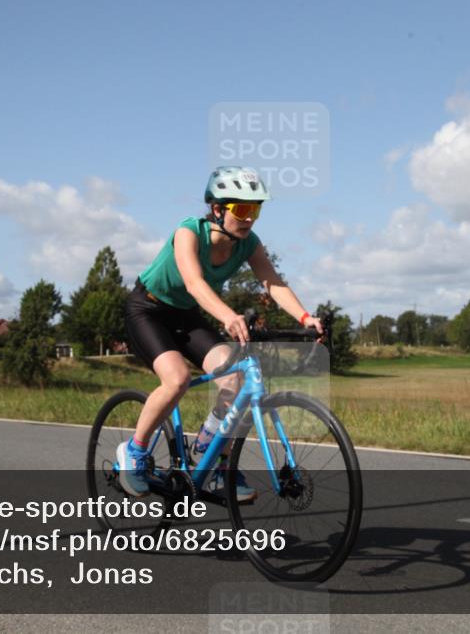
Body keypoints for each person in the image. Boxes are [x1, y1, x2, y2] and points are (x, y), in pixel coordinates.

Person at [118, 166, 323, 500]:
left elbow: (272, 282)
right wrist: (228, 316)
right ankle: (135, 451)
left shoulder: (248, 244)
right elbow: (195, 283)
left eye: (255, 209)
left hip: (186, 316)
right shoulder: (189, 232)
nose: (250, 218)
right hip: (148, 310)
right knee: (177, 379)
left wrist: (304, 317)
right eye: (242, 209)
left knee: (234, 377)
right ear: (217, 209)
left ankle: (209, 457)